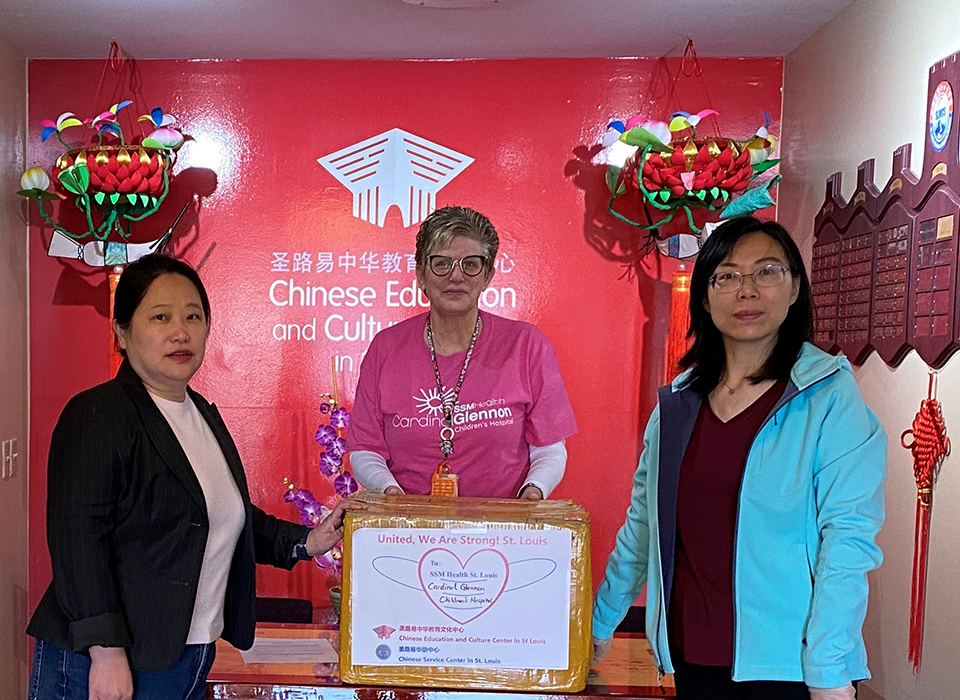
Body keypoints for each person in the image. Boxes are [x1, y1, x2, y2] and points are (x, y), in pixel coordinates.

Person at [27, 254, 360, 700]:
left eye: (193, 316)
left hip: (184, 650)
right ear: (122, 332)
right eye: (160, 317)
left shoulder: (199, 411)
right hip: (108, 658)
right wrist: (105, 652)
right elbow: (77, 541)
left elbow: (217, 514)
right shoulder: (99, 414)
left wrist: (306, 540)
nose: (180, 331)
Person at [592, 217, 885, 700]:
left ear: (794, 288)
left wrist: (830, 669)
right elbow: (642, 527)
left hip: (792, 666)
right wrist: (601, 623)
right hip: (692, 653)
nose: (746, 290)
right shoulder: (677, 406)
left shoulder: (829, 398)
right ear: (705, 298)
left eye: (767, 271)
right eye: (726, 276)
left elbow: (847, 543)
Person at [348, 205, 577, 499]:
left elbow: (549, 448)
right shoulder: (385, 348)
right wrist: (392, 496)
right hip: (406, 534)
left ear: (488, 275)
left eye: (471, 264)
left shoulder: (526, 344)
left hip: (504, 533)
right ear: (421, 275)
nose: (456, 276)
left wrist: (532, 494)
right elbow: (365, 449)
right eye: (441, 263)